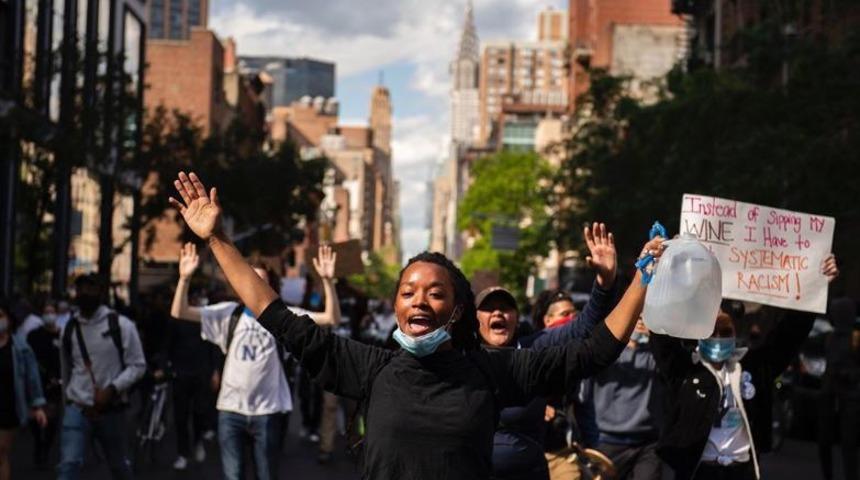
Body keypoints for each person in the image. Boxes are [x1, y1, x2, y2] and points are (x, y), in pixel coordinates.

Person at [168, 171, 662, 479]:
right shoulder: (369, 368)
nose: (419, 300)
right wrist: (217, 240)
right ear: (397, 306)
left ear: (457, 310)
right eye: (408, 292)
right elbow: (272, 312)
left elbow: (595, 350)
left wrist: (639, 278)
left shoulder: (494, 373)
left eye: (435, 292)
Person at [650, 254, 839, 480]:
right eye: (712, 332)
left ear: (735, 333)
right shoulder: (686, 370)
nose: (718, 338)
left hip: (742, 471)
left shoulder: (755, 368)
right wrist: (658, 276)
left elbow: (789, 335)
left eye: (725, 332)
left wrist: (815, 286)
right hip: (699, 471)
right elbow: (661, 338)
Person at [170, 241, 341, 480]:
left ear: (271, 287)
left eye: (261, 282)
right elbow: (180, 312)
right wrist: (184, 278)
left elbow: (331, 318)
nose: (254, 287)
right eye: (249, 281)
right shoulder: (228, 313)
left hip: (267, 413)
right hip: (230, 412)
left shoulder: (284, 317)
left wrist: (328, 281)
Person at [475, 222, 619, 480]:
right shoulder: (462, 358)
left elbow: (582, 329)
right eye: (489, 308)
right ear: (474, 320)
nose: (498, 313)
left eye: (505, 308)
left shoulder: (535, 348)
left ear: (516, 318)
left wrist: (605, 282)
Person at [57, 274, 147, 480]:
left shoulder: (122, 326)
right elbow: (66, 369)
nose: (84, 294)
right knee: (68, 464)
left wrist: (113, 389)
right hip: (77, 407)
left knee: (119, 467)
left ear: (100, 293)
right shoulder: (69, 328)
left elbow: (138, 365)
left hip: (111, 410)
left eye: (90, 288)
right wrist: (66, 403)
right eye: (80, 289)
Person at [582, 318, 664, 480]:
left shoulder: (658, 356)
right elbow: (583, 398)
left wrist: (658, 340)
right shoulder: (604, 353)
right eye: (637, 318)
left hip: (648, 443)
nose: (641, 323)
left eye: (647, 317)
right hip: (606, 441)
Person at [0, 299, 48, 480]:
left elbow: (31, 377)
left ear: (9, 319)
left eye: (1, 316)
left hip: (8, 408)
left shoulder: (20, 347)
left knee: (1, 454)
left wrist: (37, 406)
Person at [817, 297, 860, 480]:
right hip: (829, 394)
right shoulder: (830, 338)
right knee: (824, 441)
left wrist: (848, 375)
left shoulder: (855, 338)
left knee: (848, 444)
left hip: (850, 396)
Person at [26, 300, 64, 468]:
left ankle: (46, 448)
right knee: (34, 418)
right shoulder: (34, 336)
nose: (49, 315)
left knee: (52, 419)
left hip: (55, 384)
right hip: (36, 382)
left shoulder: (62, 336)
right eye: (46, 311)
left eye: (52, 311)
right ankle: (38, 443)